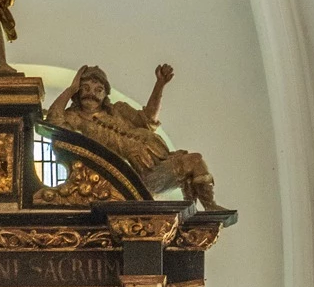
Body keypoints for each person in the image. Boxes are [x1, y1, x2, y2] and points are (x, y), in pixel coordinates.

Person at [46, 64, 215, 206]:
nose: (92, 94)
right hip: (134, 177)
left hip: (157, 161)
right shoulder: (74, 118)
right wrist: (70, 89)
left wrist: (160, 85)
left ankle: (209, 205)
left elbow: (148, 119)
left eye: (98, 90)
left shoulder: (119, 110)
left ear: (105, 95)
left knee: (196, 161)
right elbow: (53, 122)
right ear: (78, 92)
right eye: (85, 88)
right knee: (193, 161)